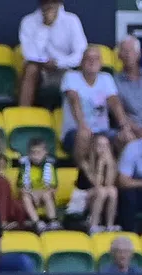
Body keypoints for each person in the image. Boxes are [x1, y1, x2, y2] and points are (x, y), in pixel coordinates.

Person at [61, 45, 121, 177]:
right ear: (81, 62)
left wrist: (124, 125)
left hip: (102, 132)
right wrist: (82, 125)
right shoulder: (71, 76)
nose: (92, 61)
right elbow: (74, 100)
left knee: (125, 137)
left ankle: (118, 177)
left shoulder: (106, 78)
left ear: (101, 63)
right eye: (88, 58)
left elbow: (114, 102)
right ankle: (84, 177)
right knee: (84, 135)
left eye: (96, 58)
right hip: (74, 132)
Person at [17, 0, 87, 108]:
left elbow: (81, 54)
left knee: (82, 71)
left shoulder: (72, 20)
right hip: (40, 70)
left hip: (65, 68)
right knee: (31, 68)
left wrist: (59, 63)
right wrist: (45, 26)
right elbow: (30, 54)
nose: (49, 5)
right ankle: (23, 114)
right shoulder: (28, 21)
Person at [17, 138, 58, 230]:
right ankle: (37, 222)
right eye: (33, 153)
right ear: (28, 153)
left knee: (47, 195)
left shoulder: (49, 166)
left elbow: (53, 187)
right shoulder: (24, 167)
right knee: (25, 197)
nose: (35, 156)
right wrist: (31, 193)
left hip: (44, 194)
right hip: (30, 194)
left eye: (38, 153)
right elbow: (21, 187)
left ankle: (53, 221)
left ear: (45, 152)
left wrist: (39, 193)